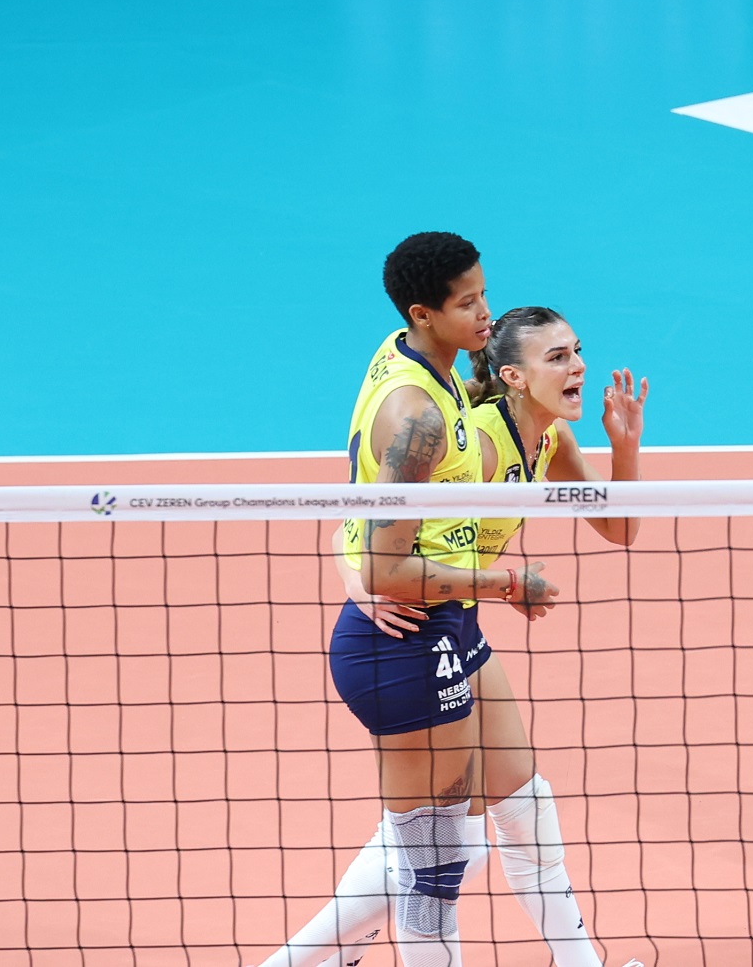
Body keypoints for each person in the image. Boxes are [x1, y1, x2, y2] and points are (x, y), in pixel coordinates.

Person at [257, 299, 649, 967]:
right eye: (558, 356)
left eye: (577, 350)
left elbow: (620, 526)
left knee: (523, 810)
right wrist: (357, 576)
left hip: (454, 621)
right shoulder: (478, 443)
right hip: (406, 632)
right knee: (440, 854)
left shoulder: (549, 439)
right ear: (515, 376)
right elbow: (363, 518)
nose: (579, 365)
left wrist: (626, 445)